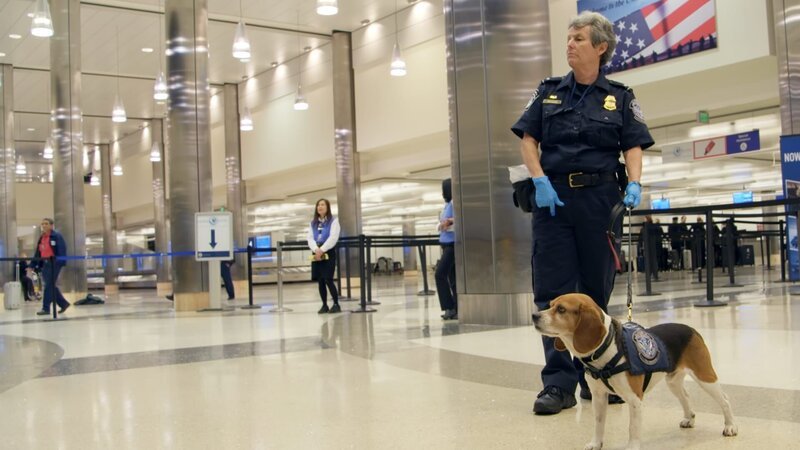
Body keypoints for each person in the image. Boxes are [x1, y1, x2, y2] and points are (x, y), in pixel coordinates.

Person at [511, 11, 654, 415]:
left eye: (578, 39)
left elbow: (632, 145)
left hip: (600, 202)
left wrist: (635, 183)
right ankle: (558, 384)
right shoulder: (548, 91)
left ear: (600, 47)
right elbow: (528, 139)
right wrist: (539, 179)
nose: (569, 44)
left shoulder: (620, 96)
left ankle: (598, 376)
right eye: (569, 38)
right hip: (553, 201)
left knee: (594, 292)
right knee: (552, 291)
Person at [30, 218, 71, 316]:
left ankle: (46, 308)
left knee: (48, 285)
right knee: (50, 285)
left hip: (54, 263)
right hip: (45, 263)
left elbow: (62, 250)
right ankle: (63, 303)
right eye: (43, 224)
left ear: (51, 225)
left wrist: (60, 262)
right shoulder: (42, 237)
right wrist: (32, 264)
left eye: (46, 224)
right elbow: (38, 252)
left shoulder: (56, 236)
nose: (44, 226)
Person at [307, 198, 341, 314]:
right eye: (318, 205)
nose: (320, 207)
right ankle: (324, 305)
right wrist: (316, 249)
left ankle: (336, 304)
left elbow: (333, 237)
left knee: (328, 279)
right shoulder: (313, 223)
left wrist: (322, 250)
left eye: (322, 205)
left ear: (327, 207)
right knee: (320, 280)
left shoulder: (333, 221)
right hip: (316, 251)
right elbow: (310, 238)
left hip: (328, 251)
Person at [434, 179, 457, 320]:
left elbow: (461, 217)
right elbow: (440, 224)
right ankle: (456, 308)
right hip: (445, 244)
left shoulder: (455, 203)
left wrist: (450, 221)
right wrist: (442, 224)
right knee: (452, 277)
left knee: (439, 274)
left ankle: (449, 306)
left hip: (452, 245)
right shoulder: (447, 205)